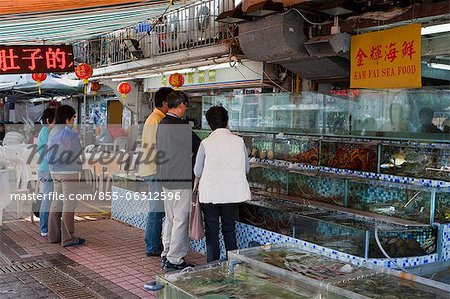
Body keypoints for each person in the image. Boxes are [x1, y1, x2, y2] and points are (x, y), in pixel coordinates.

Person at [193, 106, 251, 263]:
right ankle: (233, 263)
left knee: (212, 230)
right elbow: (246, 169)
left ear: (209, 123)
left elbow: (197, 171)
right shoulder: (239, 142)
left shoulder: (205, 143)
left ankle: (212, 264)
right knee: (229, 228)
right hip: (232, 193)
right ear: (227, 122)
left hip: (210, 194)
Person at [156, 91, 201, 271]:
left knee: (171, 219)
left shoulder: (162, 123)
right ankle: (175, 260)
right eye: (186, 107)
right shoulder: (179, 126)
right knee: (180, 220)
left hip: (166, 179)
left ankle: (166, 253)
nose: (185, 110)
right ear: (181, 105)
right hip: (181, 180)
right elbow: (199, 145)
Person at [138, 87, 172, 257]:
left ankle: (154, 244)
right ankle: (152, 246)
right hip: (155, 170)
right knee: (157, 210)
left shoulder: (156, 118)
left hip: (152, 169)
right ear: (165, 103)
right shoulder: (157, 120)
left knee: (158, 210)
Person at [46, 105, 85, 247]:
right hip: (69, 172)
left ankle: (53, 235)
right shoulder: (70, 133)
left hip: (54, 171)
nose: (74, 120)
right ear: (68, 118)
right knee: (69, 204)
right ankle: (68, 238)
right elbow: (77, 152)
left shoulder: (53, 131)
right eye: (73, 117)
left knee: (56, 202)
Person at [37, 108, 56, 237]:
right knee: (47, 198)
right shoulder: (45, 132)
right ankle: (44, 228)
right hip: (46, 170)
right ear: (48, 120)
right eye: (56, 121)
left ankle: (47, 226)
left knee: (48, 198)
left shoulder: (47, 131)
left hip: (46, 169)